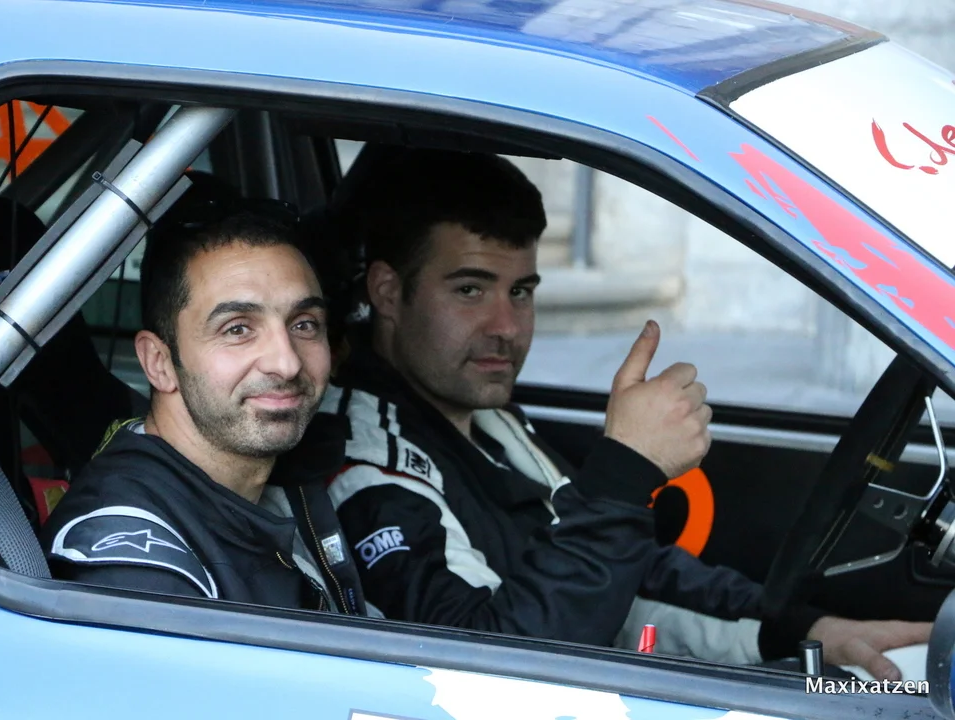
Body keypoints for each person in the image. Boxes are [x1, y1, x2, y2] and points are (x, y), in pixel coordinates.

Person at [315, 147, 930, 679]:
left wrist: (804, 632)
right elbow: (492, 669)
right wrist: (622, 475)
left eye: (520, 292)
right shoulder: (369, 471)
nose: (507, 326)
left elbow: (622, 573)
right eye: (469, 290)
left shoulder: (487, 421)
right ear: (388, 292)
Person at [42, 192, 367, 615]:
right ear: (159, 363)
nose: (287, 363)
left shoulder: (289, 475)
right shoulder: (138, 572)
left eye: (304, 324)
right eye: (237, 329)